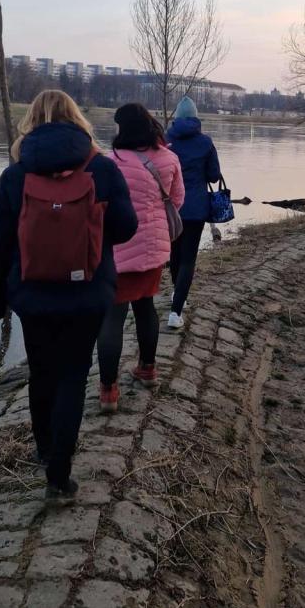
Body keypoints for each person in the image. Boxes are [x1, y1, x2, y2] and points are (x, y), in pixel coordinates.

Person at [0, 90, 137, 499]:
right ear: (78, 120)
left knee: (41, 372)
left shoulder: (16, 173)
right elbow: (125, 228)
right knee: (72, 373)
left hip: (32, 294)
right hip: (86, 293)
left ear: (30, 121)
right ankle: (60, 476)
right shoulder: (100, 168)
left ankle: (45, 451)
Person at [98, 103, 184, 412]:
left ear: (125, 128)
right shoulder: (170, 158)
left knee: (112, 316)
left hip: (118, 249)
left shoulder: (112, 161)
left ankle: (108, 389)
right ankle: (147, 369)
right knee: (146, 306)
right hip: (154, 247)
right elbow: (177, 200)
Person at [166, 96, 222, 330]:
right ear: (196, 117)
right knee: (189, 258)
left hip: (170, 208)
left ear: (176, 117)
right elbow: (213, 176)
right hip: (196, 208)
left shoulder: (166, 140)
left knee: (174, 254)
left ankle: (178, 295)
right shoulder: (206, 142)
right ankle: (176, 311)